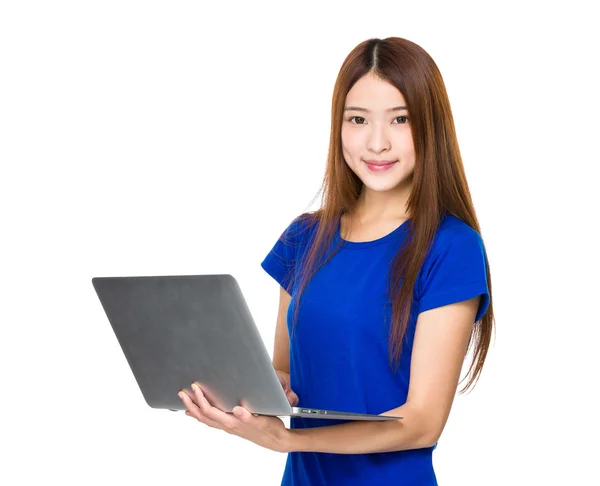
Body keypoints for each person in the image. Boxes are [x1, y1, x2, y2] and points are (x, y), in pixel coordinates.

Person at [178, 36, 495, 486]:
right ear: (338, 126)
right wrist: (238, 390)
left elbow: (423, 421)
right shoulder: (305, 237)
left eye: (400, 119)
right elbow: (286, 371)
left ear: (431, 126)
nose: (377, 142)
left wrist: (291, 441)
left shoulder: (450, 247)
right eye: (358, 119)